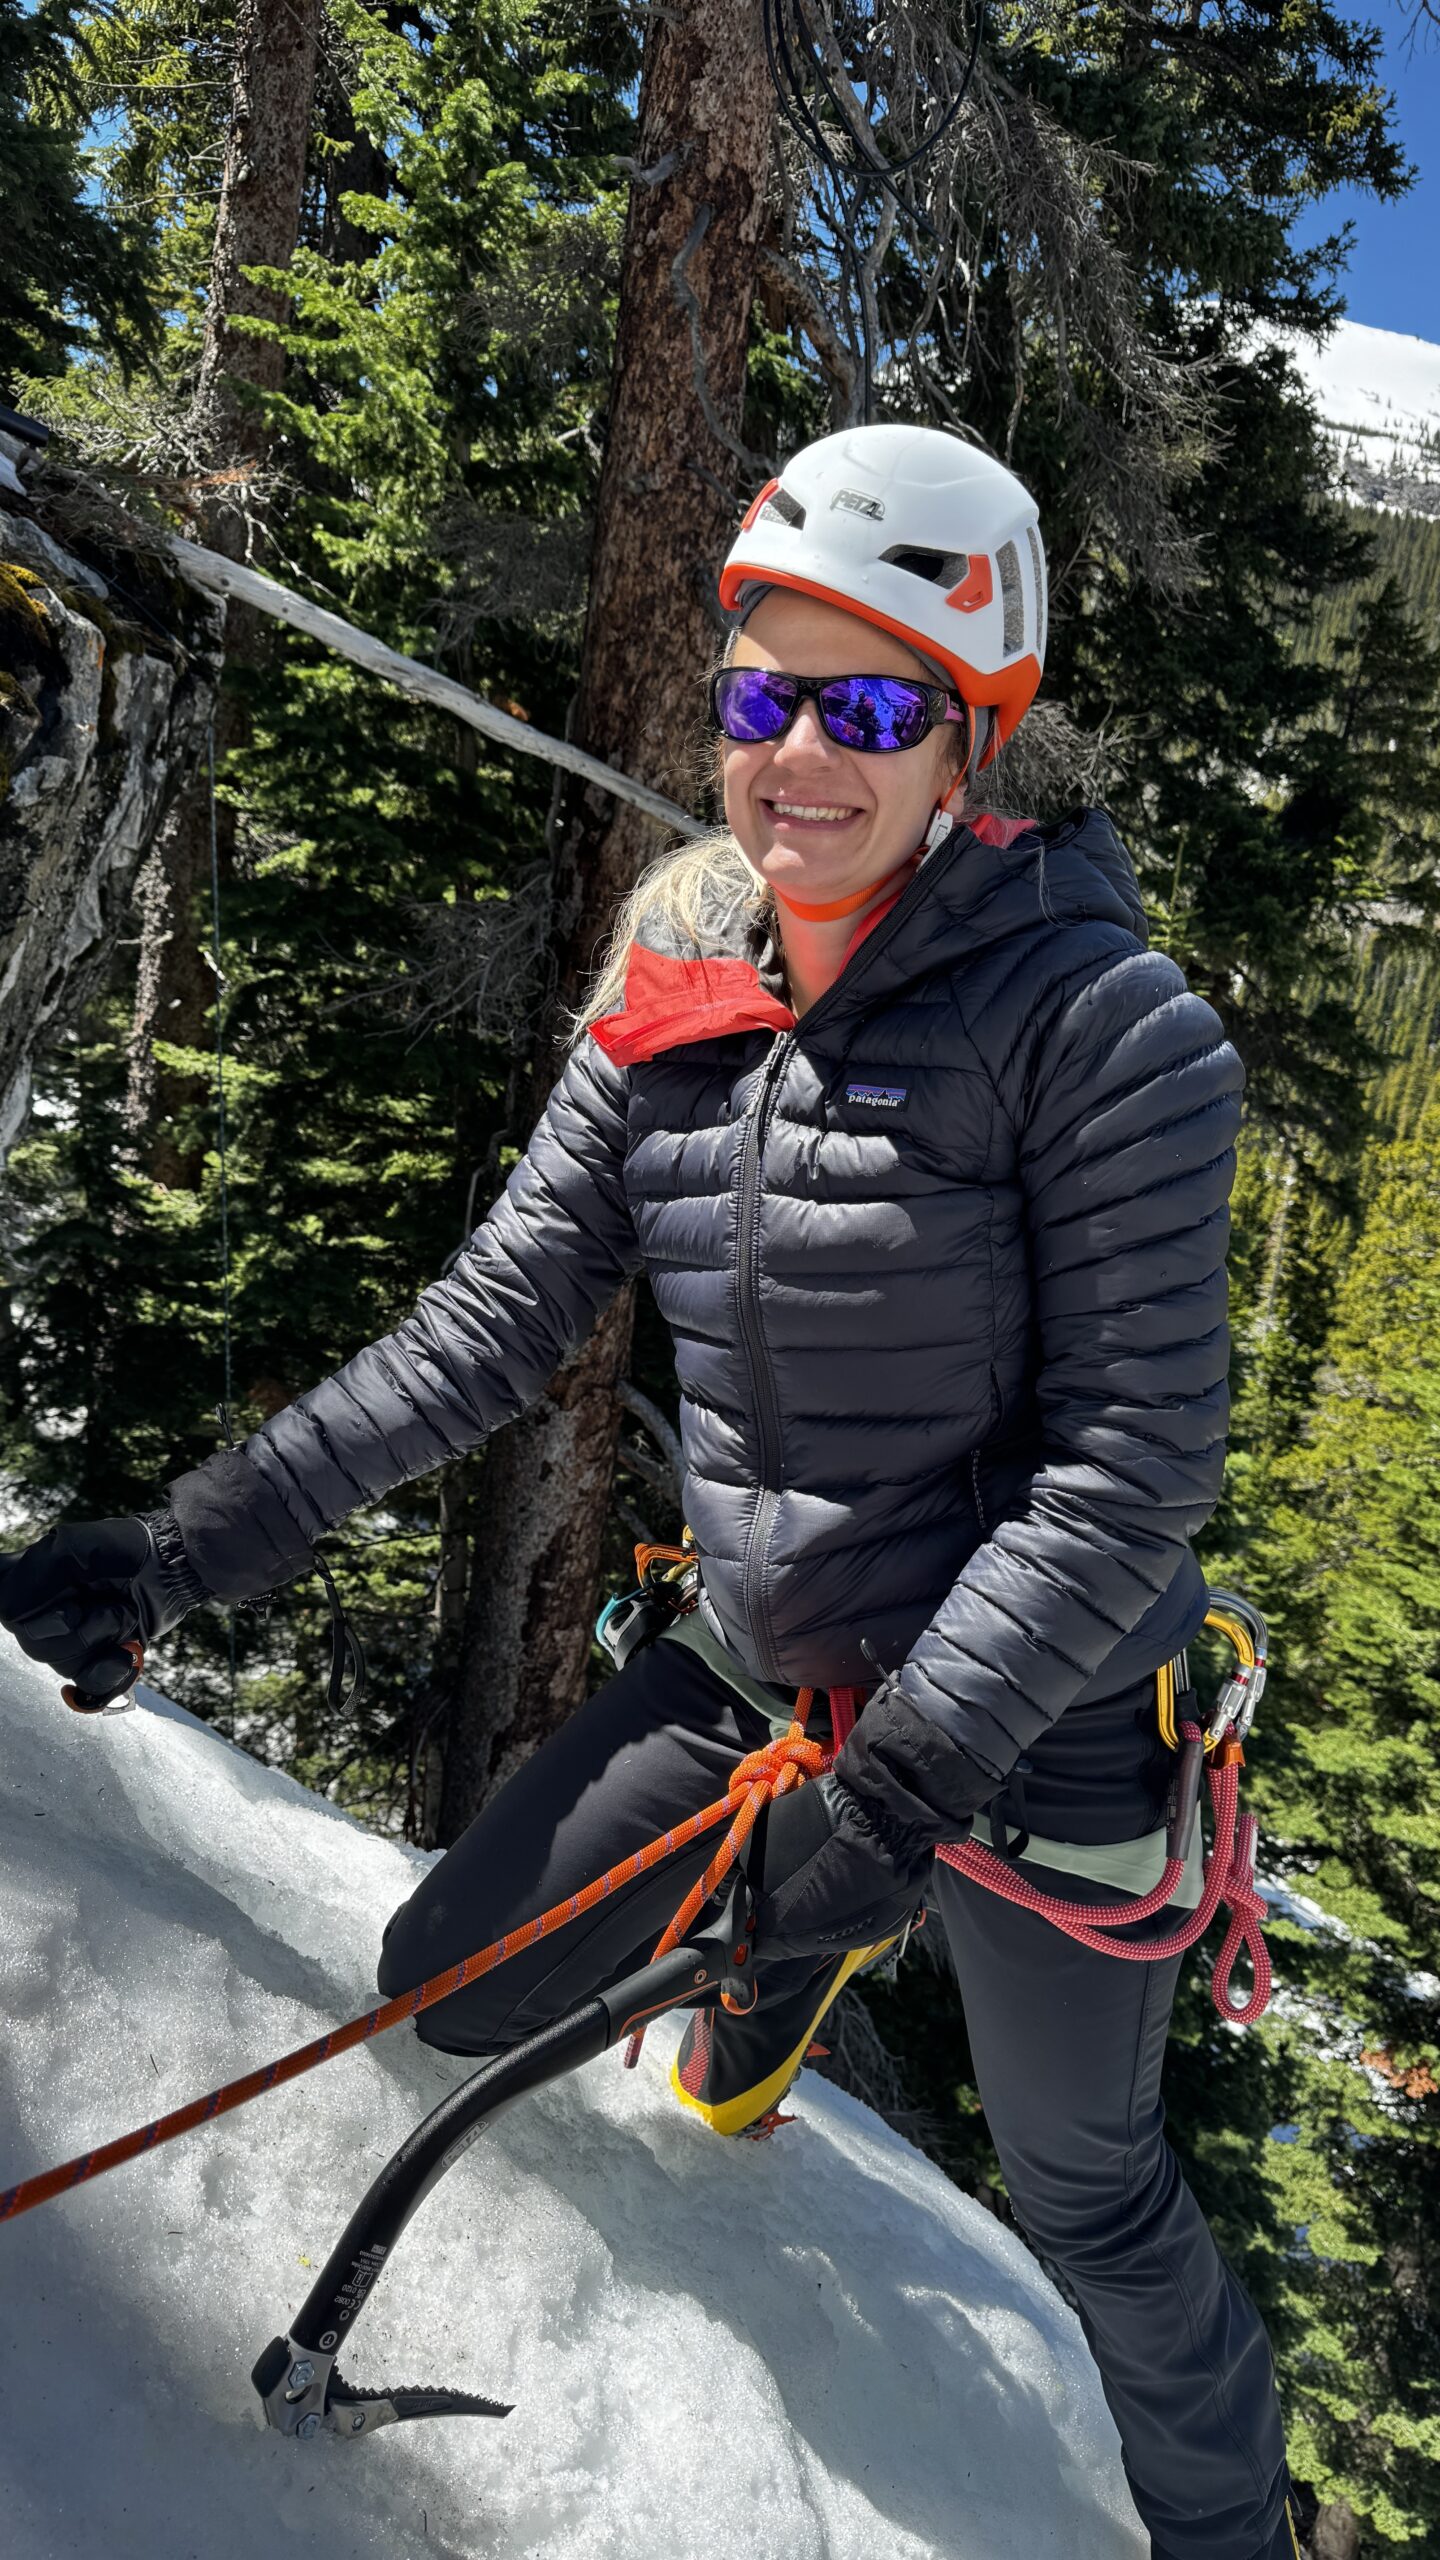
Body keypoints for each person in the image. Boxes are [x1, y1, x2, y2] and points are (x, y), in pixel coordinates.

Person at [0, 423, 1299, 2560]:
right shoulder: (677, 973)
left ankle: (1229, 2528)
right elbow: (486, 1330)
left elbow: (1132, 1460)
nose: (797, 753)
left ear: (979, 736)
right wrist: (186, 1542)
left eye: (870, 706)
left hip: (1045, 1713)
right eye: (761, 691)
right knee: (455, 1983)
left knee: (1089, 2186)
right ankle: (774, 1967)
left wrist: (895, 1798)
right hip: (772, 1662)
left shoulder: (1107, 1021)